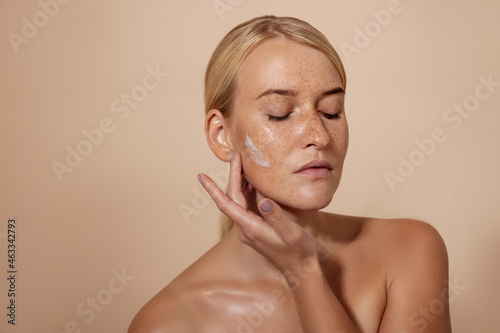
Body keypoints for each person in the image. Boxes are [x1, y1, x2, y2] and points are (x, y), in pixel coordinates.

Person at [128, 15, 451, 332]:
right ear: (221, 135)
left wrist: (304, 271)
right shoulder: (171, 322)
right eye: (279, 114)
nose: (320, 136)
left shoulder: (409, 250)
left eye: (331, 111)